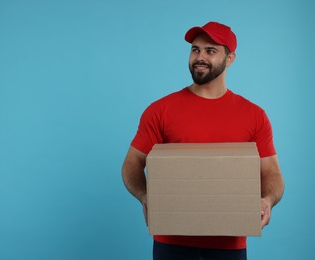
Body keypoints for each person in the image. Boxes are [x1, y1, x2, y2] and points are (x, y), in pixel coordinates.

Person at [121, 21, 285, 260]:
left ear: (230, 59)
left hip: (230, 244)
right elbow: (132, 163)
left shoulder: (254, 115)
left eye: (210, 51)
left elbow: (272, 173)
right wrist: (146, 196)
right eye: (195, 49)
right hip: (171, 242)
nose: (200, 57)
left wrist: (267, 200)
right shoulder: (160, 110)